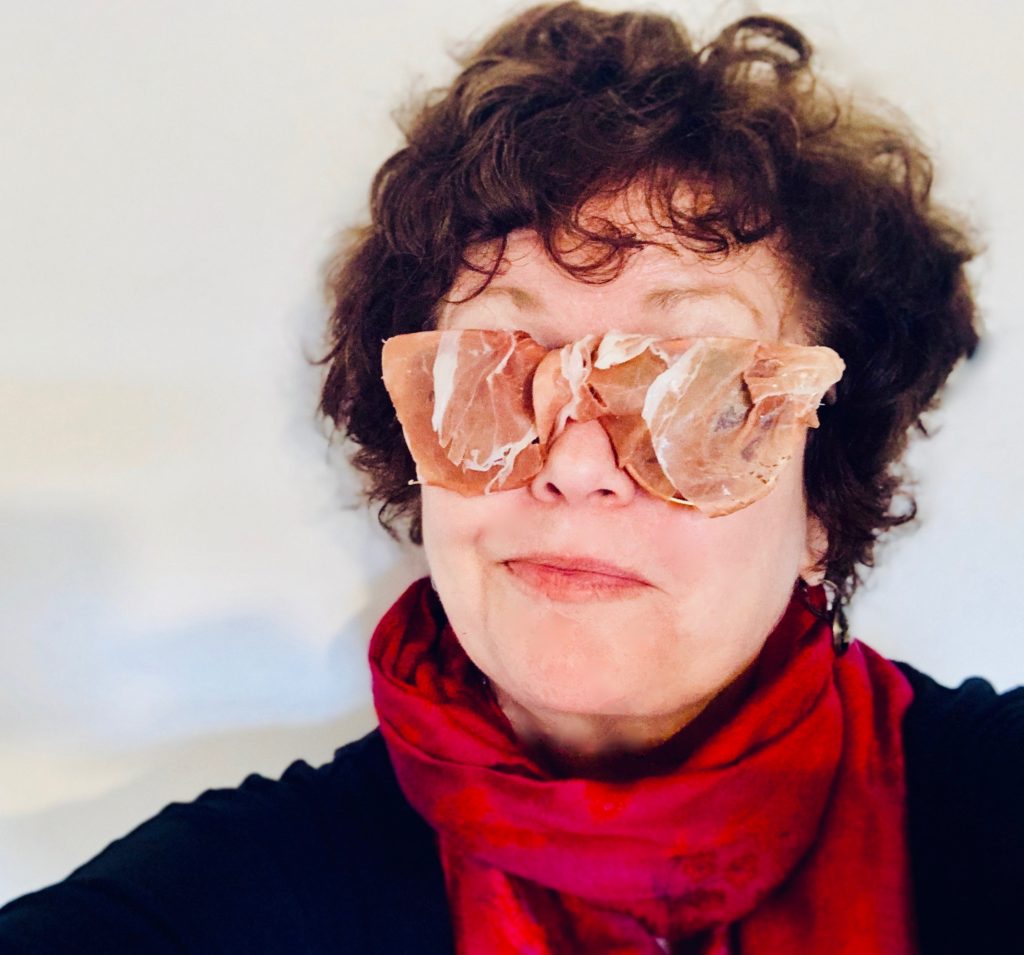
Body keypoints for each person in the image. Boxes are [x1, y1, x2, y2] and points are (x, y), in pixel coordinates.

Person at [0, 3, 1019, 953]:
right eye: (497, 370)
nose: (576, 466)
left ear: (821, 507)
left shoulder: (987, 804)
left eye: (695, 390)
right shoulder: (229, 897)